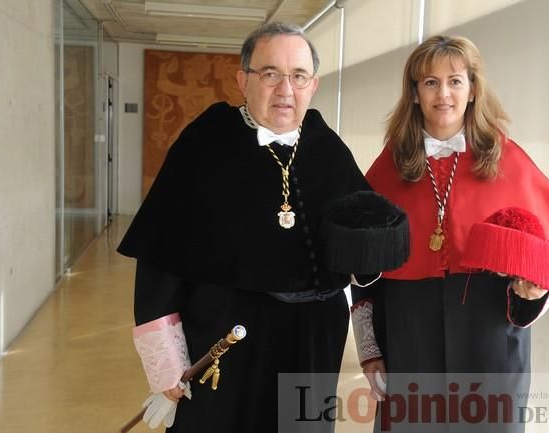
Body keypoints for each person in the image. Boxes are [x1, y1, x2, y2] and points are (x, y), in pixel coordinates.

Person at [118, 22, 371, 433]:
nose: (285, 89)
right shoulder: (204, 144)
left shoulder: (329, 150)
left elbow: (364, 247)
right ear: (243, 80)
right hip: (224, 336)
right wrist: (165, 365)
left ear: (313, 85)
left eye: (298, 76)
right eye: (270, 73)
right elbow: (158, 259)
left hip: (311, 340)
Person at [350, 35, 549, 432]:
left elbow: (545, 262)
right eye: (430, 82)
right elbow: (361, 271)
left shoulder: (508, 159)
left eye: (455, 81)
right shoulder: (387, 167)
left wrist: (532, 290)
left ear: (473, 88)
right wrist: (370, 351)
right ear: (414, 93)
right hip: (410, 334)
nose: (443, 94)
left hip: (489, 336)